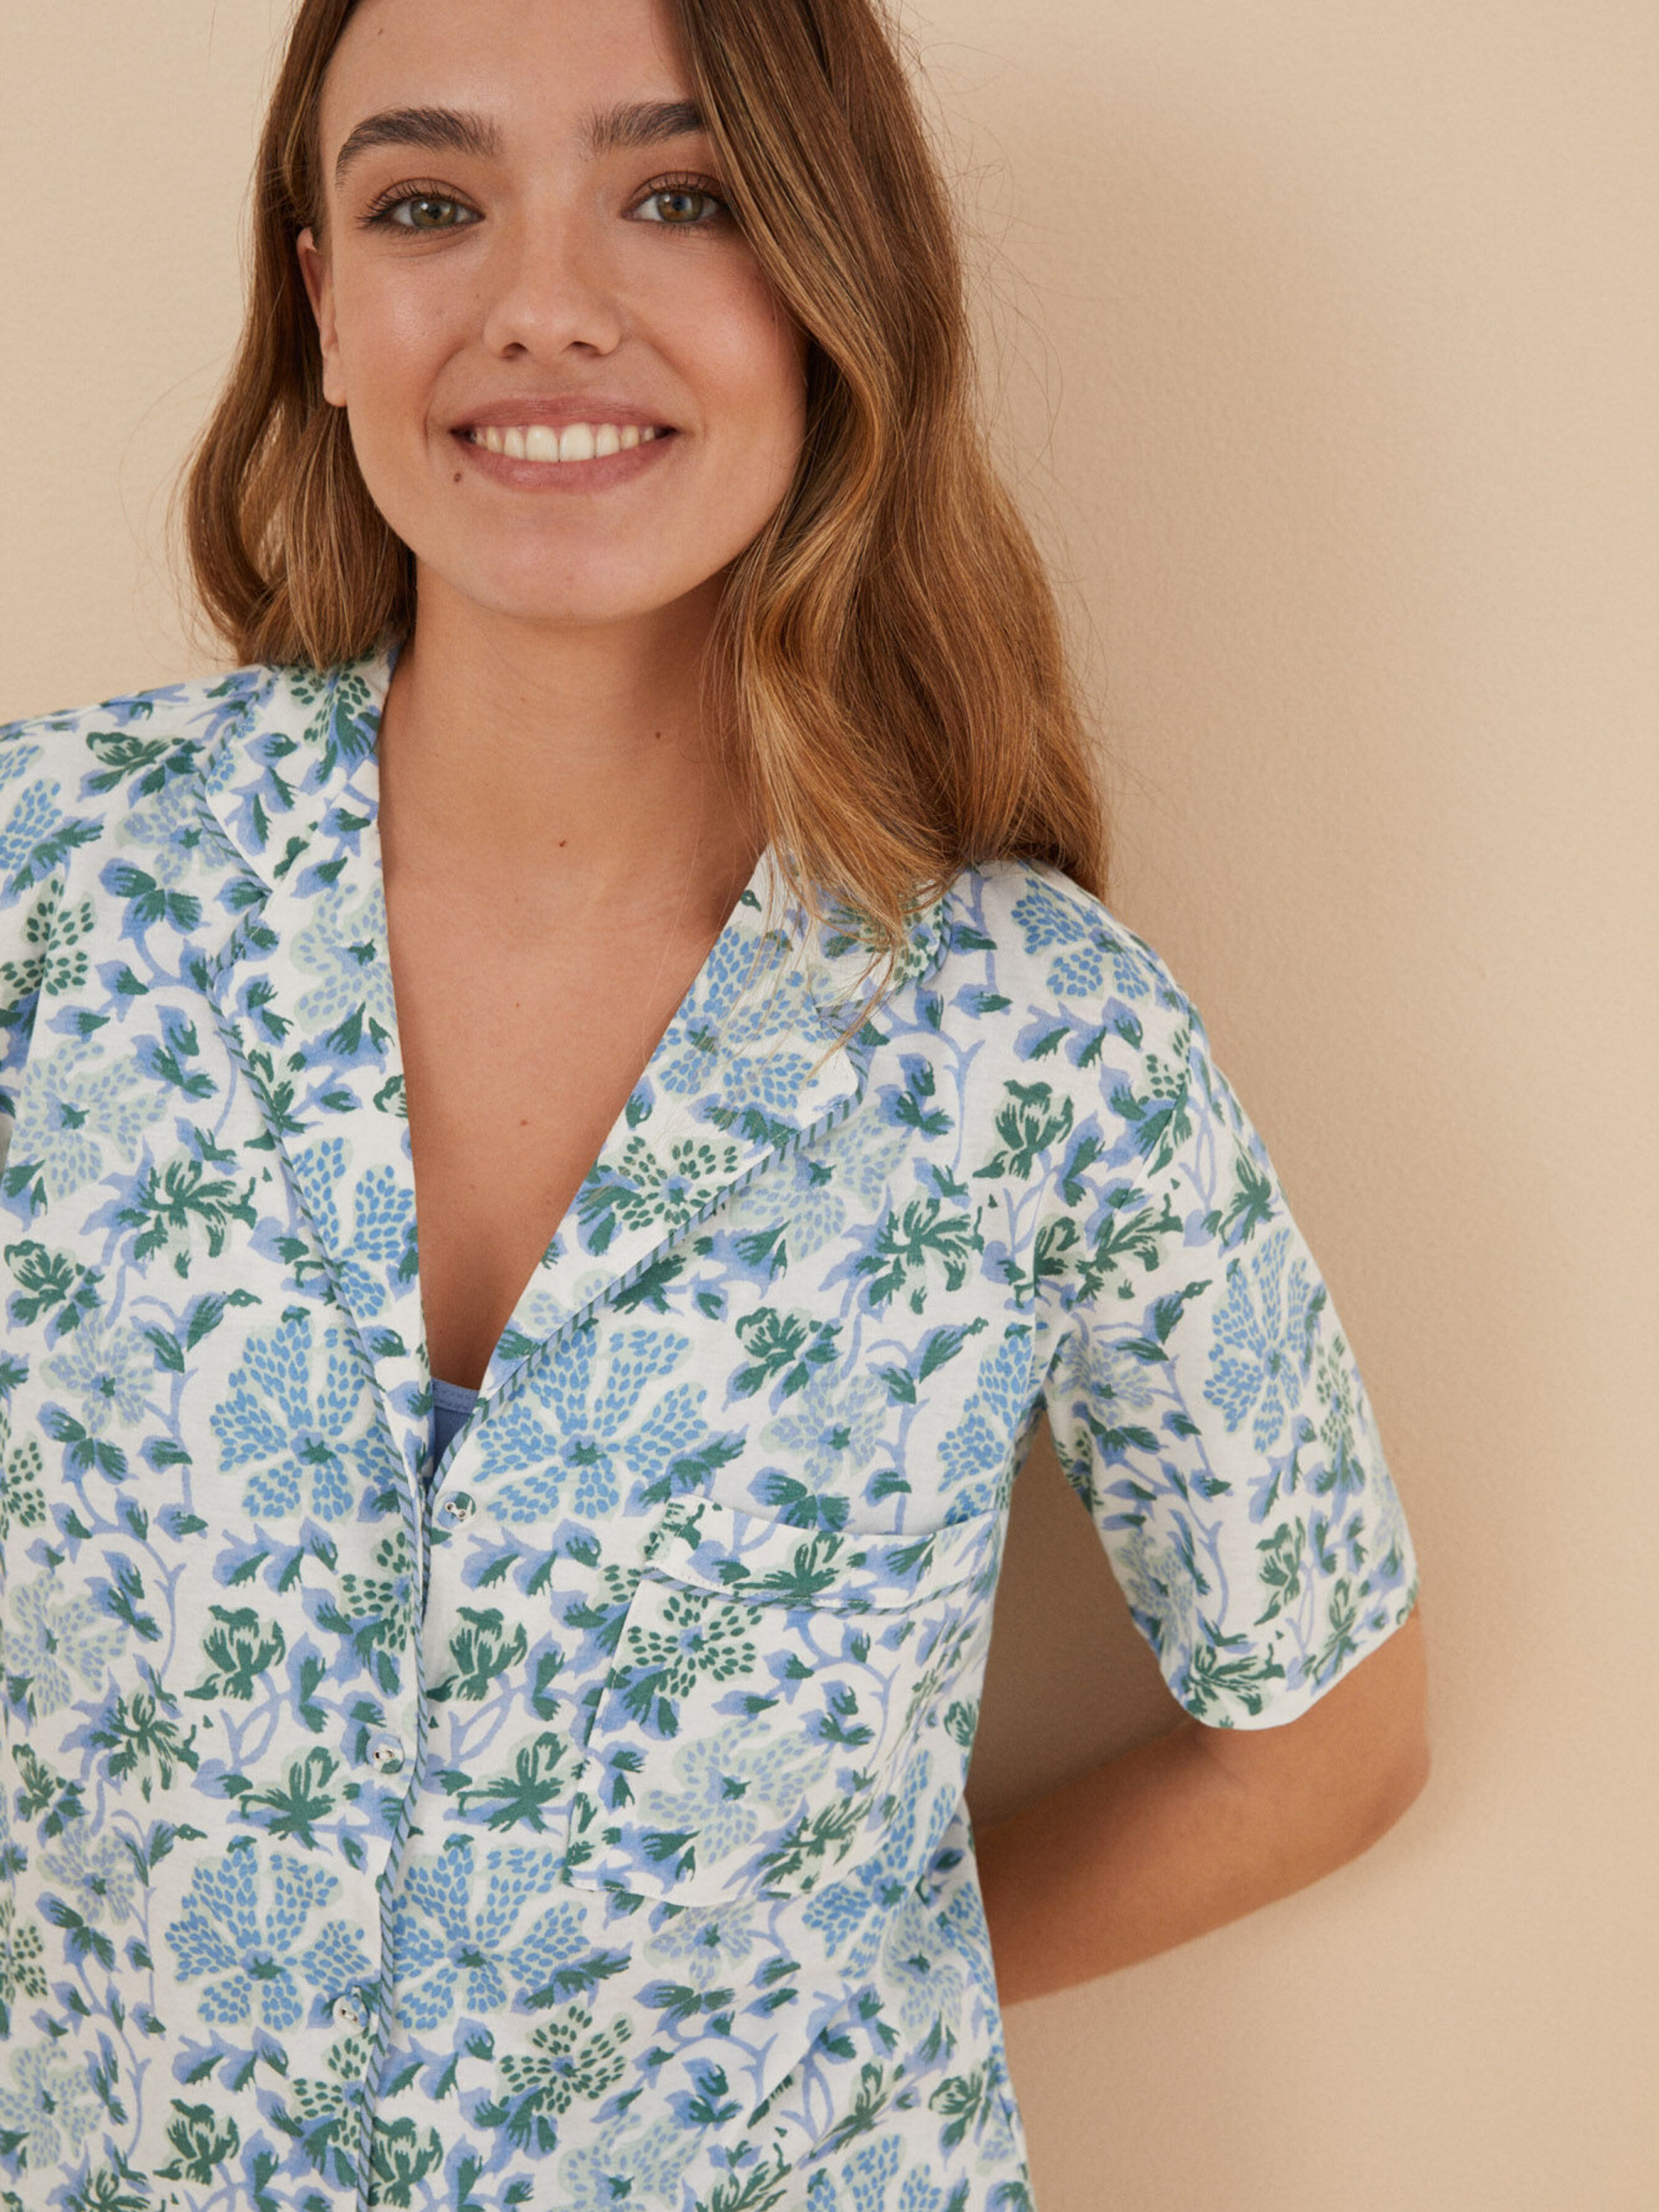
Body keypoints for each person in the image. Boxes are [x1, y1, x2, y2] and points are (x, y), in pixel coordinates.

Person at [0, 0, 1428, 2205]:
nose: (543, 304)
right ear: (324, 306)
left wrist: (787, 2024)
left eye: (679, 195)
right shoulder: (50, 887)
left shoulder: (1038, 1046)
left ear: (834, 285)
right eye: (426, 204)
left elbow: (1325, 1744)